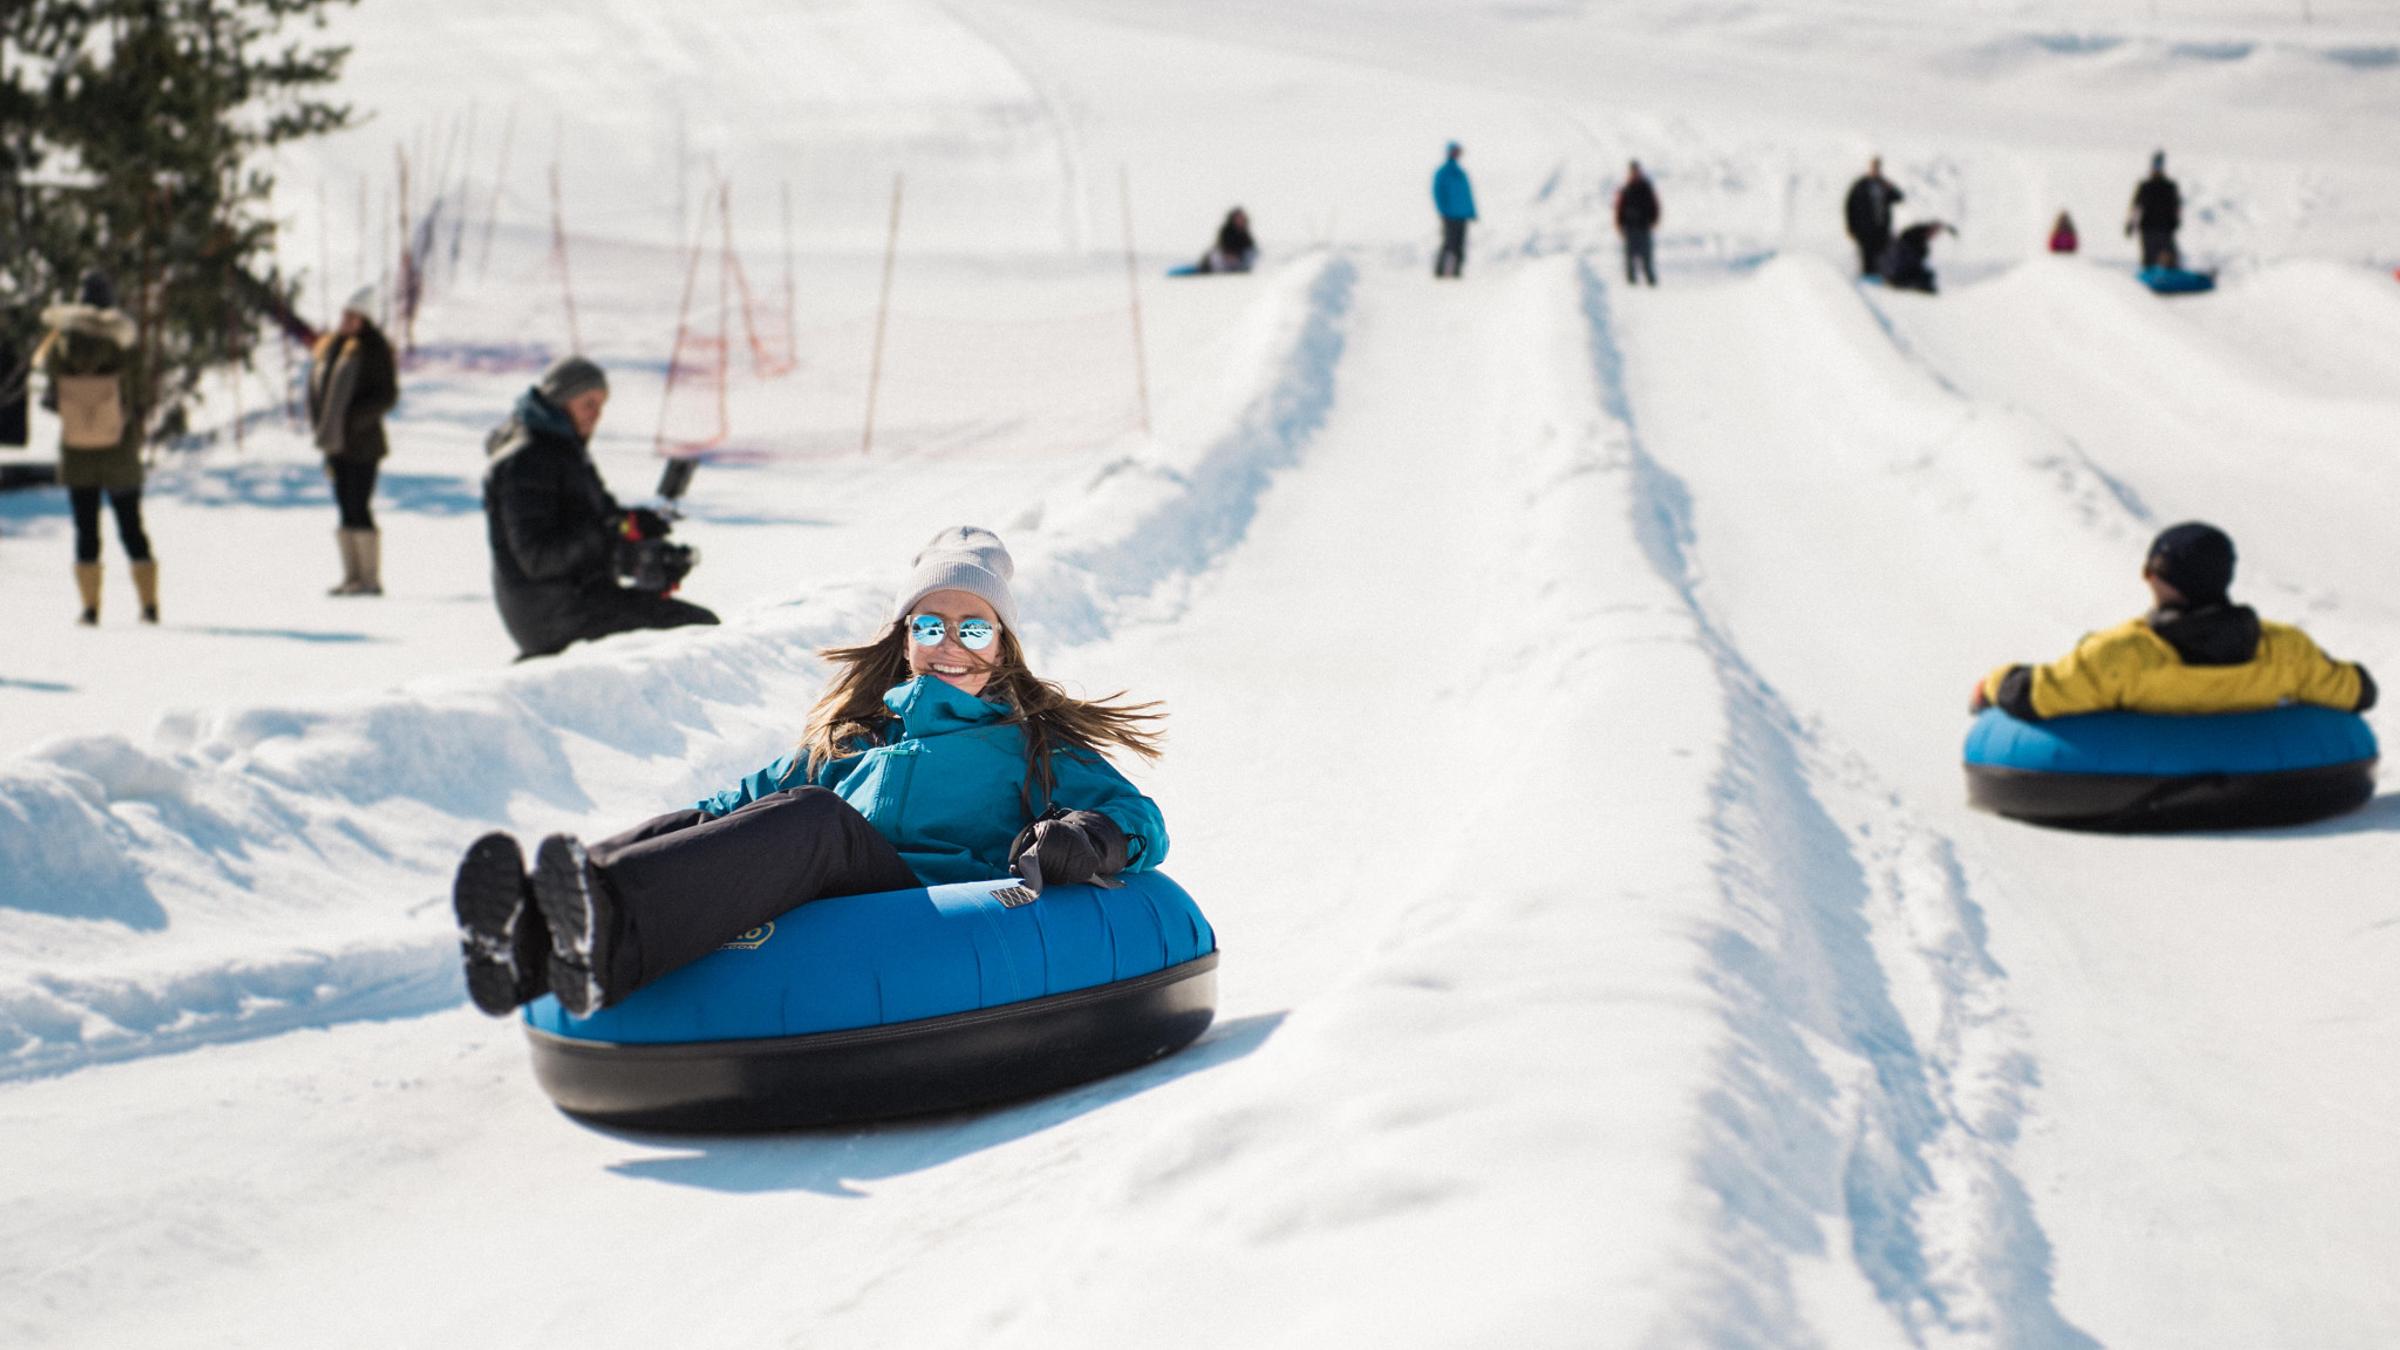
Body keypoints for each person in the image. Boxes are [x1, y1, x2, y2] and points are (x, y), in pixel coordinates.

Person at [450, 526, 1170, 1016]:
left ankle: (608, 928)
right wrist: (669, 838)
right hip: (827, 901)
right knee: (718, 815)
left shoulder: (1032, 745)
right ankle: (537, 935)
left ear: (1002, 646)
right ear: (905, 637)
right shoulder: (854, 739)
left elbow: (1141, 820)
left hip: (921, 915)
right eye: (929, 625)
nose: (949, 644)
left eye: (973, 627)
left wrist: (1090, 836)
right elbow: (735, 804)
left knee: (818, 818)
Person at [1972, 522, 2376, 723]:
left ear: (2157, 579)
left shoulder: (2124, 655)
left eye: (2151, 570)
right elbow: (2358, 692)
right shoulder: (2284, 649)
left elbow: (2039, 694)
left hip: (2131, 788)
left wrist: (1993, 682)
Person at [482, 355, 717, 660]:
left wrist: (637, 535)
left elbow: (599, 522)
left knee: (697, 628)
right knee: (699, 630)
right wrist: (611, 535)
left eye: (601, 405)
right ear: (561, 399)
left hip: (579, 600)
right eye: (588, 403)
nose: (596, 414)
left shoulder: (564, 453)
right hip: (553, 614)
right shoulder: (527, 461)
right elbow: (538, 558)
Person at [34, 270, 157, 626]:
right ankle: (148, 605)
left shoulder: (62, 341)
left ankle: (90, 608)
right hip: (119, 449)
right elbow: (137, 395)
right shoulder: (124, 340)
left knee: (86, 529)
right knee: (131, 526)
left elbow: (51, 393)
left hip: (77, 451)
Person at [307, 286, 399, 596]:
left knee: (359, 504)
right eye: (344, 315)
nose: (344, 321)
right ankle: (351, 576)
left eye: (351, 316)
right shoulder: (333, 348)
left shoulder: (373, 350)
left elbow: (386, 396)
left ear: (363, 319)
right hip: (336, 443)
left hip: (363, 443)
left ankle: (369, 578)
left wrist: (355, 420)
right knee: (344, 504)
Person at [1843, 157, 1905, 279]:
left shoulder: (1884, 184)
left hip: (1881, 228)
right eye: (1873, 167)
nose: (1875, 170)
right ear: (1869, 167)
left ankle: (1879, 282)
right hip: (1864, 228)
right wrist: (1850, 226)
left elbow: (1899, 198)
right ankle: (1866, 281)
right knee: (1866, 255)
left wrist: (1891, 187)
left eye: (1878, 167)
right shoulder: (1860, 185)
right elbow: (1849, 206)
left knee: (1880, 255)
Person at [1432, 142, 1478, 279]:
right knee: (1448, 243)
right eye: (1455, 151)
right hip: (1449, 215)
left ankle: (1457, 272)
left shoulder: (1460, 173)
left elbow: (1467, 194)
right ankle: (1439, 272)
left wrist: (1471, 211)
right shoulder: (1443, 172)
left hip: (1462, 215)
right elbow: (1438, 192)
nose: (1457, 154)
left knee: (1460, 244)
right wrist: (1443, 210)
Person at [2128, 151, 2181, 269]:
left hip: (2165, 228)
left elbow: (2176, 206)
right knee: (2149, 260)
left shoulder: (2169, 186)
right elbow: (2136, 206)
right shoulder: (2145, 186)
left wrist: (2176, 221)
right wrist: (2131, 223)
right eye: (2156, 166)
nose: (2157, 169)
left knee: (2170, 258)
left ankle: (2172, 279)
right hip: (2148, 228)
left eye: (2159, 166)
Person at [1614, 160, 1660, 287]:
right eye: (1633, 172)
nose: (1635, 174)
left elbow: (1654, 206)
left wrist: (1654, 220)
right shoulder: (1625, 190)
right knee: (1629, 259)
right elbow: (1619, 209)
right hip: (1630, 229)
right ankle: (1631, 286)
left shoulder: (1646, 189)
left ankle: (1651, 284)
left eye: (1637, 171)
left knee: (1647, 259)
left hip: (1644, 227)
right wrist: (1619, 225)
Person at [1880, 221, 1951, 294]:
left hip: (1900, 272)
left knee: (1928, 276)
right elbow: (1905, 264)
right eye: (1934, 232)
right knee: (1925, 278)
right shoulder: (1909, 243)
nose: (1935, 235)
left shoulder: (1917, 242)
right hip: (1897, 275)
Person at [1196, 207, 1257, 274]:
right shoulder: (1226, 231)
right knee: (1215, 256)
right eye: (1238, 219)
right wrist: (1229, 255)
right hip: (1223, 259)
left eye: (1241, 219)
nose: (1240, 221)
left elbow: (1250, 248)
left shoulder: (1245, 234)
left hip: (1237, 261)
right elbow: (1222, 245)